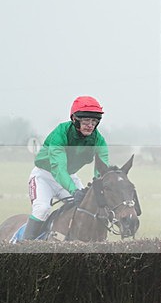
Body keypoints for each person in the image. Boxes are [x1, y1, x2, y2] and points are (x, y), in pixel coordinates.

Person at [21, 96, 109, 240]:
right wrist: (74, 190)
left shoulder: (99, 141)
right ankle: (23, 248)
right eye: (86, 120)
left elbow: (101, 171)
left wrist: (96, 188)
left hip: (69, 176)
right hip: (44, 176)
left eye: (94, 121)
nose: (90, 125)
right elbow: (58, 169)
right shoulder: (60, 133)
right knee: (42, 209)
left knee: (86, 208)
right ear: (75, 119)